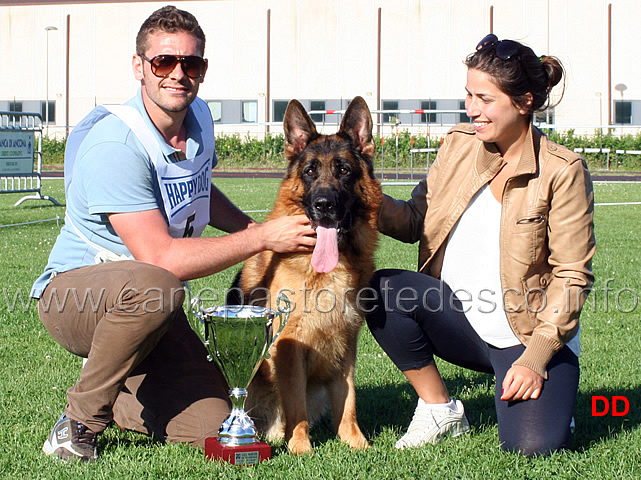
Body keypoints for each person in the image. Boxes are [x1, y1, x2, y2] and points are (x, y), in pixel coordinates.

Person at [31, 5, 315, 462]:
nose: (178, 74)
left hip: (148, 301)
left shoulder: (198, 116)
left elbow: (200, 189)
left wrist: (253, 227)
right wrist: (264, 239)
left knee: (213, 421)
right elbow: (161, 259)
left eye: (191, 63)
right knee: (159, 284)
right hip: (76, 297)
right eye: (164, 61)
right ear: (139, 67)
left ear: (203, 69)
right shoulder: (116, 145)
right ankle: (78, 421)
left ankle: (119, 373)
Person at [366, 34, 595, 456]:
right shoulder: (458, 144)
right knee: (383, 289)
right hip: (459, 323)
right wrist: (362, 196)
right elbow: (416, 220)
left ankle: (553, 398)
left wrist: (536, 356)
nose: (472, 108)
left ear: (524, 102)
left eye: (485, 99)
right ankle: (439, 409)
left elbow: (572, 274)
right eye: (469, 95)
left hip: (527, 337)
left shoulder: (563, 171)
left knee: (532, 447)